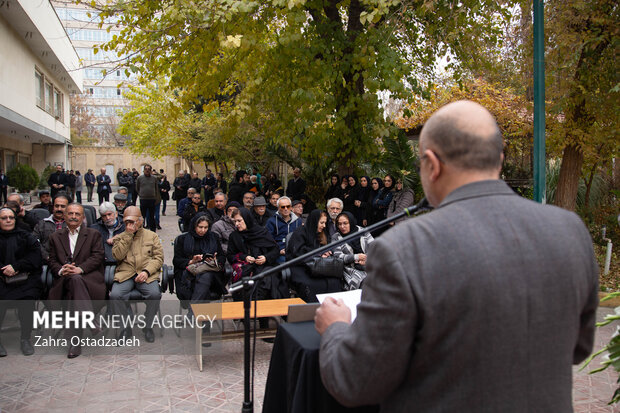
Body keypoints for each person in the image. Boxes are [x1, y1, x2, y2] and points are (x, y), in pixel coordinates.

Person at [315, 100, 599, 411]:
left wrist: (335, 327)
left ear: (432, 165)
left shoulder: (403, 249)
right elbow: (580, 347)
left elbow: (356, 382)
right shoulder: (570, 231)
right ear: (499, 159)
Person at [47, 203, 106, 358]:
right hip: (64, 280)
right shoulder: (55, 237)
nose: (73, 217)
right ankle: (90, 321)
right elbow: (51, 260)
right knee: (73, 281)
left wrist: (80, 269)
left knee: (74, 287)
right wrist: (61, 269)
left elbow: (98, 256)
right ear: (64, 216)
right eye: (70, 213)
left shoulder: (93, 234)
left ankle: (75, 344)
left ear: (83, 217)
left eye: (77, 214)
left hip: (89, 279)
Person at [111, 206, 163, 343]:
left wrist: (147, 271)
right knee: (115, 295)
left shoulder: (152, 236)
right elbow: (117, 256)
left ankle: (148, 325)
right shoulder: (120, 237)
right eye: (127, 222)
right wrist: (127, 236)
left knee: (154, 294)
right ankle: (125, 327)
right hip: (125, 273)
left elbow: (158, 258)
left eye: (133, 222)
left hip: (145, 273)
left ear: (140, 221)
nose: (130, 225)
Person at [0, 207, 43, 356]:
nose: (8, 220)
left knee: (27, 299)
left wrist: (16, 267)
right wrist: (3, 269)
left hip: (24, 278)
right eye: (4, 218)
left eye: (11, 217)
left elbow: (36, 256)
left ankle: (25, 338)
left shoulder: (25, 236)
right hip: (1, 279)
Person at [227, 208, 285, 305]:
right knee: (248, 281)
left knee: (266, 278)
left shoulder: (262, 232)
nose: (237, 224)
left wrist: (265, 258)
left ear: (247, 219)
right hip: (246, 269)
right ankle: (249, 311)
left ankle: (259, 309)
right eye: (235, 221)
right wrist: (245, 257)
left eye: (239, 221)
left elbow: (275, 250)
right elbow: (230, 255)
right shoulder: (234, 236)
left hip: (265, 266)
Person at [286, 209, 341, 302]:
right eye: (321, 223)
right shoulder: (300, 232)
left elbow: (327, 247)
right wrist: (318, 254)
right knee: (311, 285)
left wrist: (327, 252)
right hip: (302, 265)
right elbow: (298, 252)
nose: (324, 226)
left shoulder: (323, 233)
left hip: (320, 266)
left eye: (325, 223)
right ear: (314, 222)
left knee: (334, 282)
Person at [173, 213, 226, 307]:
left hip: (211, 273)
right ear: (194, 226)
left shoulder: (213, 237)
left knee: (206, 276)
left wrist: (214, 259)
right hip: (189, 274)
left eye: (206, 227)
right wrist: (192, 261)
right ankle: (201, 317)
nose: (203, 230)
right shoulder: (183, 239)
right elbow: (177, 260)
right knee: (203, 281)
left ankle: (192, 314)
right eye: (200, 227)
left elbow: (222, 257)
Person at [332, 212, 374, 290]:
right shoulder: (336, 237)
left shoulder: (362, 231)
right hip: (350, 268)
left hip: (369, 263)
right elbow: (338, 256)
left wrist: (367, 259)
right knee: (365, 282)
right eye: (339, 224)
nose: (342, 226)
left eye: (345, 223)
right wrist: (356, 257)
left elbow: (374, 247)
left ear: (351, 222)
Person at [266, 196, 302, 263]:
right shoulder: (271, 221)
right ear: (278, 208)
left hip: (295, 251)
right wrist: (279, 250)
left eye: (288, 206)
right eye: (283, 207)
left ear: (291, 207)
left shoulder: (298, 221)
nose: (286, 209)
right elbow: (269, 240)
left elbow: (300, 238)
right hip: (278, 253)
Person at [33, 194, 69, 262]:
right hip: (46, 261)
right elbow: (35, 242)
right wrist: (46, 256)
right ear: (53, 207)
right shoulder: (42, 224)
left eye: (63, 206)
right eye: (56, 206)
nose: (59, 209)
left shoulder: (73, 224)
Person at [135, 164, 160, 232]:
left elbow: (156, 188)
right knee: (142, 216)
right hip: (143, 199)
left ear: (151, 170)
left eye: (149, 169)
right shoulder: (140, 178)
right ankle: (141, 230)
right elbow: (137, 188)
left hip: (152, 199)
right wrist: (141, 194)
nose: (147, 171)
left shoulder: (154, 178)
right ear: (143, 170)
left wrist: (156, 198)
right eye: (146, 169)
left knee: (152, 216)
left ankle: (152, 231)